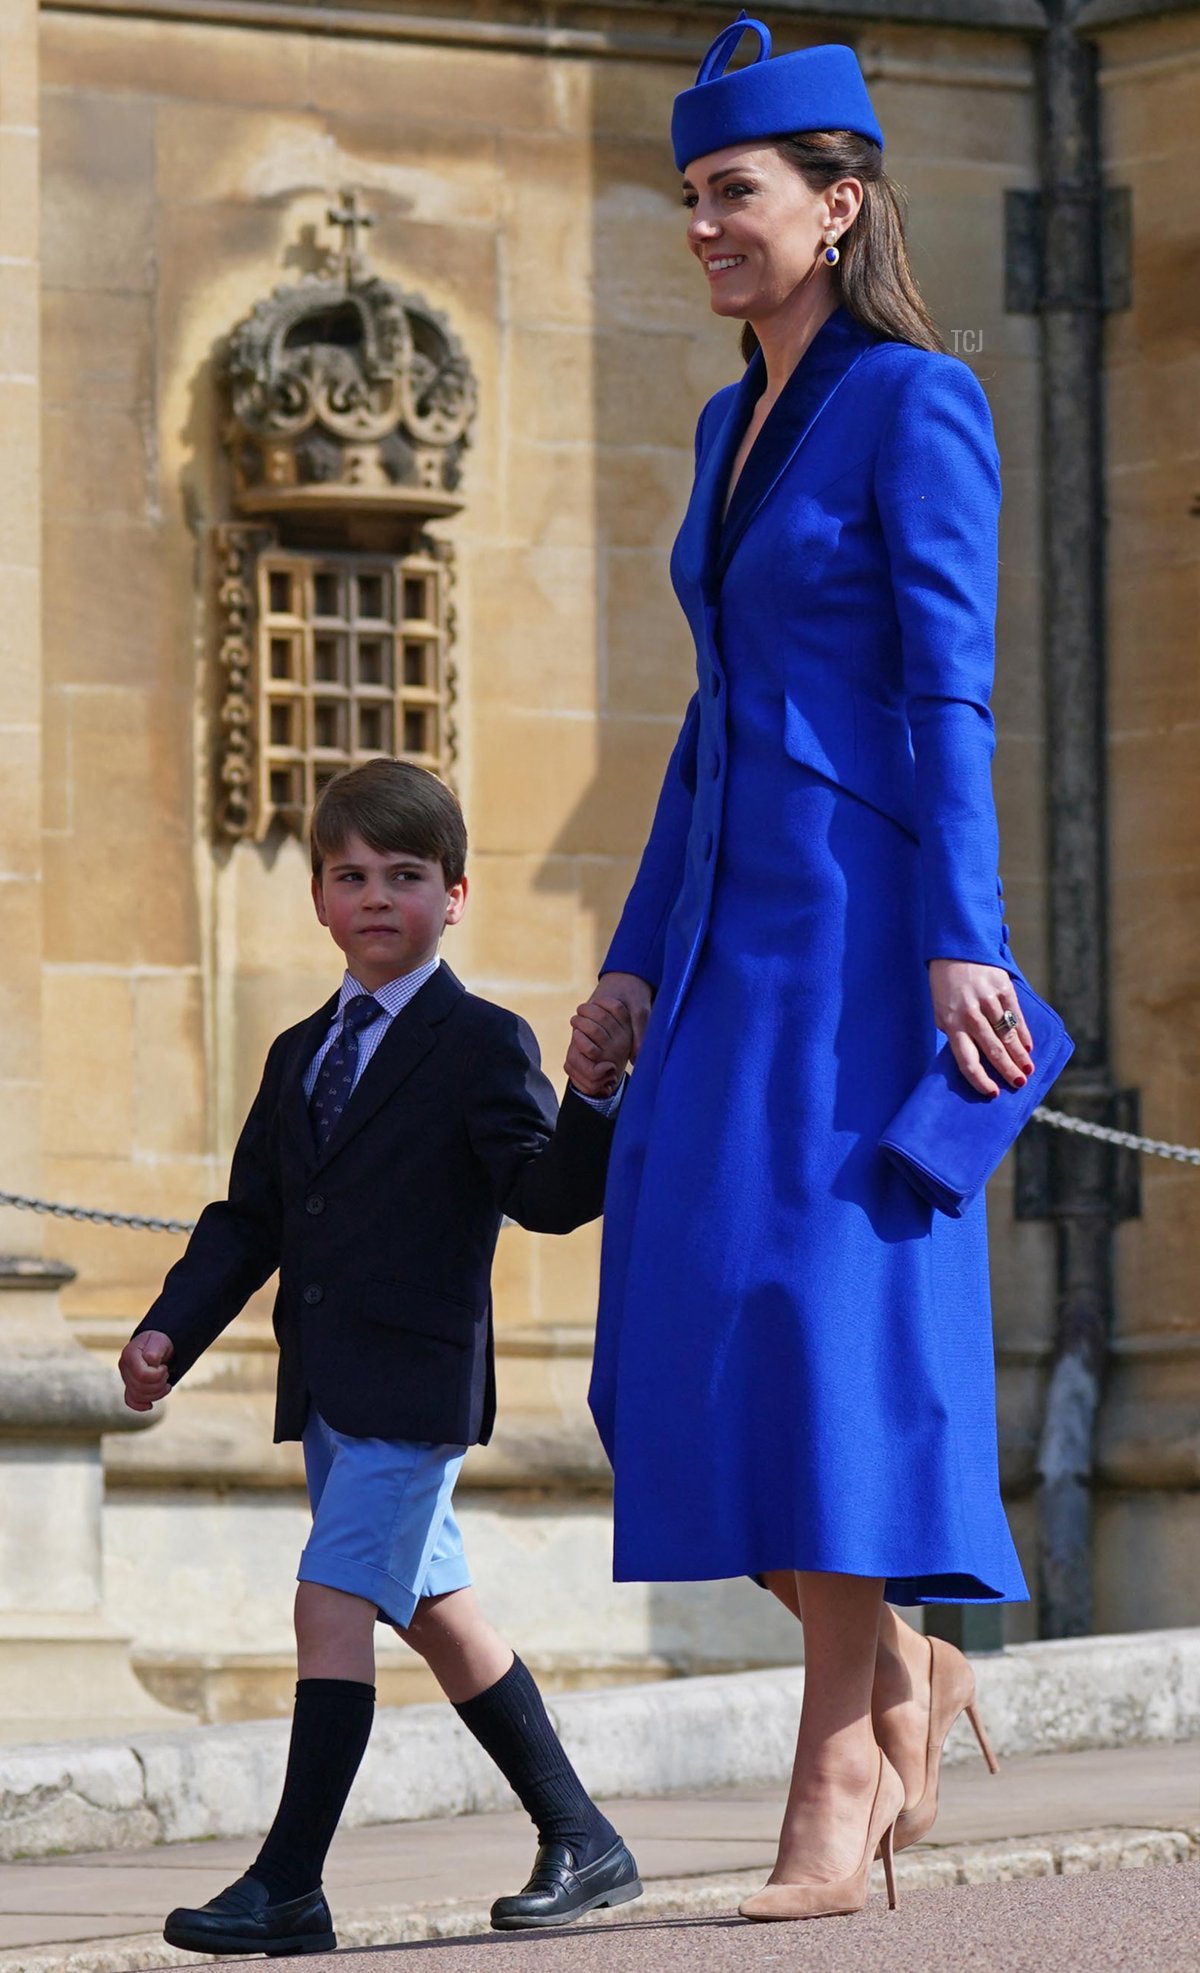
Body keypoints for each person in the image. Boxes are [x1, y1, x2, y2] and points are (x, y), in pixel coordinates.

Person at [566, 16, 1029, 1924]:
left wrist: (963, 934)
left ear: (836, 206)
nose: (705, 226)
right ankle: (915, 1658)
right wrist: (626, 964)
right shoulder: (718, 424)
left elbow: (952, 690)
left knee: (820, 1335)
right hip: (724, 940)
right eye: (689, 197)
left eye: (734, 193)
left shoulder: (915, 401)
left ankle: (836, 1763)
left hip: (863, 933)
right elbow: (712, 719)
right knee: (671, 1341)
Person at [118, 758, 640, 1957]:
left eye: (405, 876)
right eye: (350, 875)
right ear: (316, 896)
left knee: (328, 1603)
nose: (375, 898)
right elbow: (249, 1218)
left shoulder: (479, 1040)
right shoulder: (301, 1051)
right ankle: (584, 1835)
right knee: (441, 1611)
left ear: (455, 895)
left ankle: (287, 1882)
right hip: (330, 1393)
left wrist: (593, 1097)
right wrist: (168, 1330)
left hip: (416, 1390)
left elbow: (548, 1196)